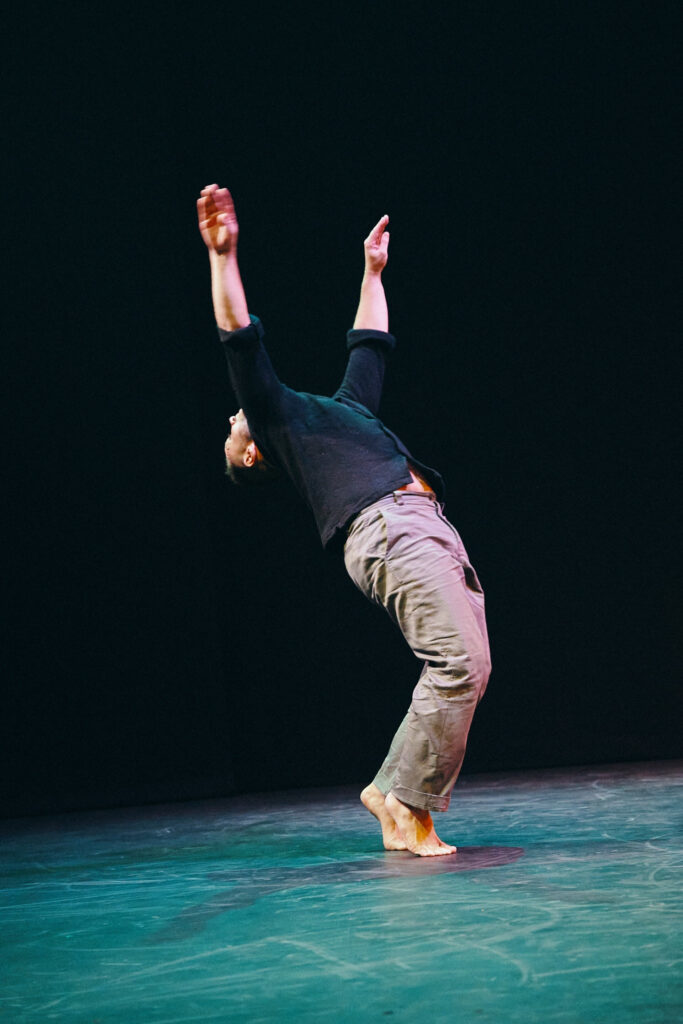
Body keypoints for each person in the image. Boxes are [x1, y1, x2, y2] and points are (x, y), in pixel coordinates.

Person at [197, 183, 491, 856]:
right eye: (231, 429)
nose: (231, 416)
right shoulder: (275, 424)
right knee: (457, 661)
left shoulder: (341, 414)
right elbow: (239, 339)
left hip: (420, 524)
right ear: (251, 451)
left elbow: (370, 344)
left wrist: (372, 272)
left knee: (467, 664)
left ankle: (391, 793)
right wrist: (223, 255)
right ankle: (406, 806)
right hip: (389, 525)